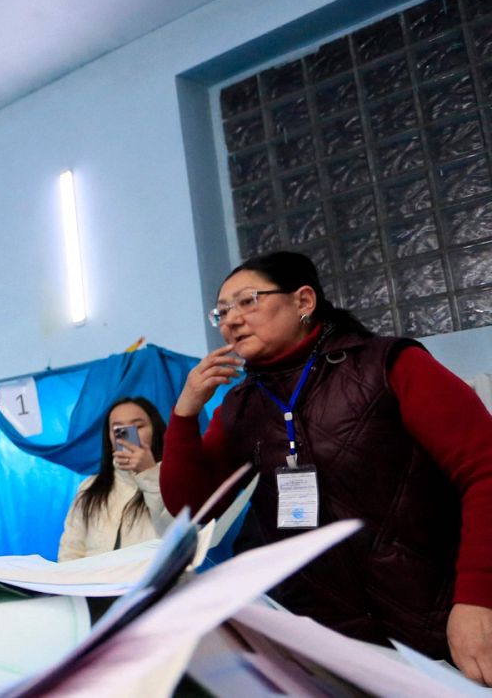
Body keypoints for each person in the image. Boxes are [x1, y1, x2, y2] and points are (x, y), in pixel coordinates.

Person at [161, 251, 492, 682]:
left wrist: (478, 597)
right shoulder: (239, 408)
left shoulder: (388, 365)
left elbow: (484, 472)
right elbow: (192, 508)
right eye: (221, 312)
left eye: (247, 301)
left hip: (440, 624)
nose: (231, 321)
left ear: (303, 301)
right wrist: (184, 414)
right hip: (325, 645)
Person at [57, 398, 172, 561]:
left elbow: (177, 533)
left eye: (138, 426)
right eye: (118, 429)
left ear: (156, 431)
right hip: (96, 578)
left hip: (156, 576)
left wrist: (148, 473)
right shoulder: (89, 487)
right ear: (110, 438)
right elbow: (71, 549)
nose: (128, 435)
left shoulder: (177, 478)